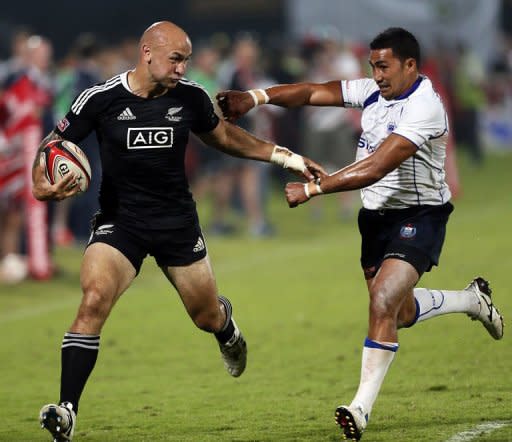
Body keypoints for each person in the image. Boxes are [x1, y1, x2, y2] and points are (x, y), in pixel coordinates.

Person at [32, 21, 324, 442]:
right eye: (176, 58)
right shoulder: (99, 98)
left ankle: (227, 329)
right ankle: (68, 410)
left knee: (205, 315)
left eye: (186, 59)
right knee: (93, 300)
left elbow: (225, 137)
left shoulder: (189, 97)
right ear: (147, 52)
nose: (183, 68)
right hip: (121, 222)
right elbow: (50, 148)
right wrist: (43, 185)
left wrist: (285, 157)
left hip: (176, 224)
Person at [217, 27, 504, 441]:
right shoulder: (372, 90)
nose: (377, 74)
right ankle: (471, 300)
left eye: (384, 66)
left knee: (383, 300)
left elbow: (377, 166)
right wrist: (255, 97)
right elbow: (312, 92)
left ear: (409, 65)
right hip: (374, 220)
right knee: (398, 313)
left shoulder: (423, 107)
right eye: (373, 65)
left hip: (420, 214)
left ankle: (360, 408)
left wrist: (316, 187)